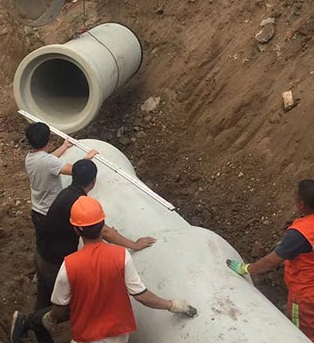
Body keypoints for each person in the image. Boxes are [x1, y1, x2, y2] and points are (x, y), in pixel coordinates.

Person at [10, 196, 197, 343]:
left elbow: (60, 307)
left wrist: (50, 319)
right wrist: (172, 305)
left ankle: (25, 322)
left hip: (86, 335)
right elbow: (141, 295)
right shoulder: (121, 256)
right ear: (103, 225)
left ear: (76, 229)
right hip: (118, 334)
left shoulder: (70, 265)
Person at [25, 159, 156, 311]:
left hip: (42, 253)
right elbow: (105, 232)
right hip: (54, 262)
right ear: (93, 181)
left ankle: (31, 328)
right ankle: (26, 322)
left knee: (45, 298)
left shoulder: (66, 193)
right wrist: (134, 244)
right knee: (70, 308)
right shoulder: (79, 202)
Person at [226, 179, 314, 342]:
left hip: (306, 297)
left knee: (303, 337)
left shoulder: (300, 235)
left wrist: (246, 269)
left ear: (302, 204)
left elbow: (270, 262)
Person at [25, 123, 97, 255]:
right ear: (48, 139)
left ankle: (42, 265)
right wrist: (88, 158)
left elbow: (48, 159)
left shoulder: (30, 158)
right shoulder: (49, 162)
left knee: (43, 244)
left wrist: (64, 147)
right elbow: (75, 171)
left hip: (37, 210)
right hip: (51, 212)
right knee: (60, 247)